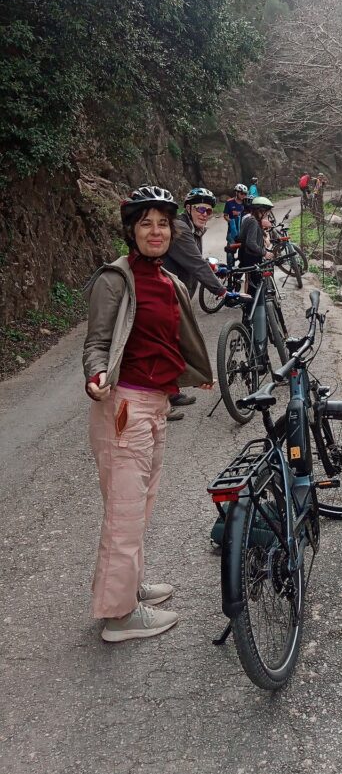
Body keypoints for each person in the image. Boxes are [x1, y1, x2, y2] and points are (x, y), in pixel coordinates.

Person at [82, 185, 213, 642]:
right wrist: (96, 374)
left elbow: (173, 338)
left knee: (141, 505)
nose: (156, 231)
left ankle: (129, 587)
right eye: (145, 224)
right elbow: (97, 343)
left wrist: (193, 373)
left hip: (156, 404)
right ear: (131, 231)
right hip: (124, 406)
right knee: (124, 512)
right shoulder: (116, 280)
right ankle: (119, 616)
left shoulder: (166, 278)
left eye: (163, 224)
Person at [163, 187, 228, 418]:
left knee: (173, 344)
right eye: (201, 209)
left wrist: (215, 267)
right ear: (188, 208)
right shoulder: (180, 229)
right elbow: (195, 264)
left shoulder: (192, 229)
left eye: (209, 211)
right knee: (163, 348)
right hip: (165, 297)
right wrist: (221, 291)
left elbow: (195, 261)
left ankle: (171, 392)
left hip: (176, 297)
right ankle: (160, 404)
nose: (205, 214)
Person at [239, 196, 275, 280]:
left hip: (245, 254)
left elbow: (241, 236)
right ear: (260, 210)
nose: (267, 214)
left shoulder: (248, 219)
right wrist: (264, 253)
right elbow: (251, 243)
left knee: (250, 280)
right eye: (266, 212)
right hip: (252, 257)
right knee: (255, 283)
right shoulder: (253, 222)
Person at [223, 183, 248, 266]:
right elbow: (225, 215)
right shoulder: (229, 202)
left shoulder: (246, 203)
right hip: (232, 231)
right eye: (242, 193)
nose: (243, 195)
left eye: (245, 194)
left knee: (246, 252)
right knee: (230, 252)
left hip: (244, 231)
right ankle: (230, 269)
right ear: (237, 192)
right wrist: (231, 222)